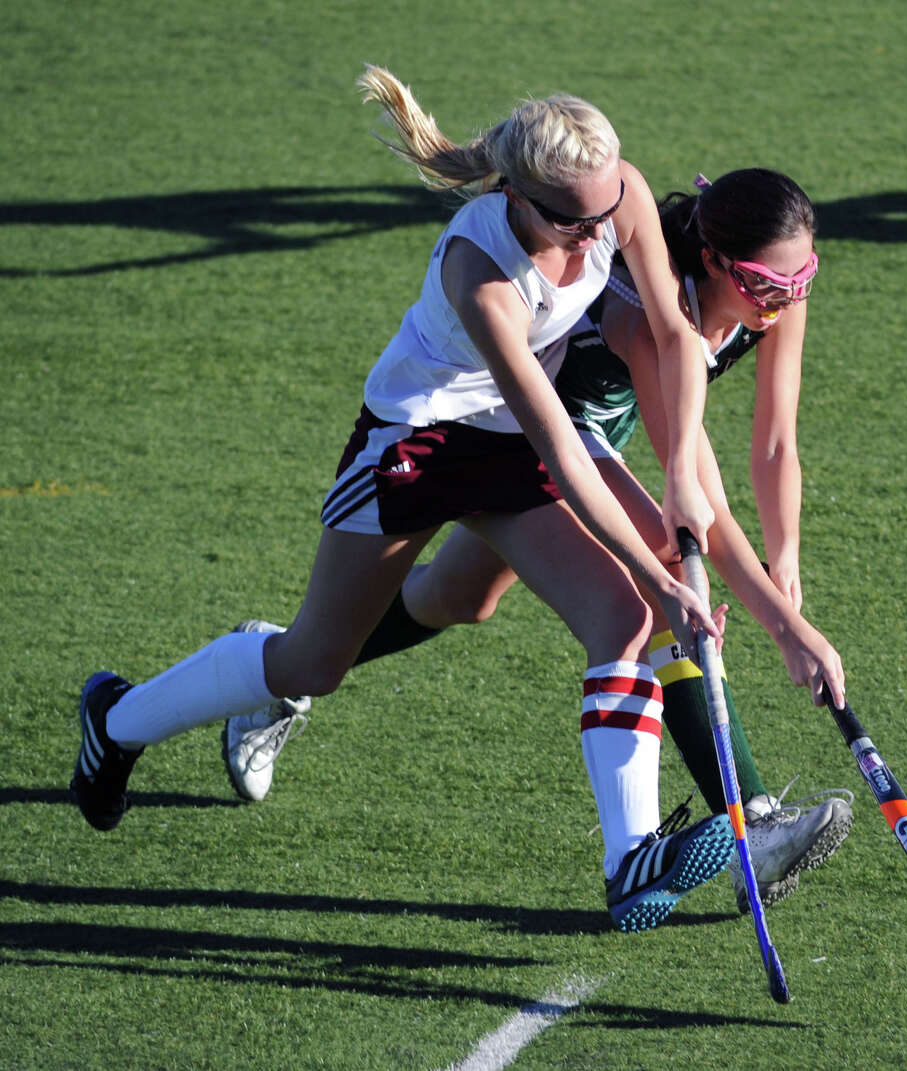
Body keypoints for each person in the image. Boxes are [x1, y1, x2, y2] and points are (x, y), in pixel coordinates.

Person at [71, 63, 738, 934]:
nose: (592, 242)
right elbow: (560, 452)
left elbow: (677, 335)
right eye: (572, 225)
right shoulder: (481, 269)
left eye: (605, 215)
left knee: (620, 620)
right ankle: (115, 719)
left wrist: (682, 468)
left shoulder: (616, 196)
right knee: (312, 663)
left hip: (505, 437)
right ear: (520, 198)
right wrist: (663, 575)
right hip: (416, 446)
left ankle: (630, 860)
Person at [224, 169, 854, 915]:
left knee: (461, 597)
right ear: (715, 260)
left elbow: (776, 443)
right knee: (658, 576)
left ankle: (281, 667)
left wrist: (786, 560)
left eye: (801, 277)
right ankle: (755, 822)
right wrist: (788, 630)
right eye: (767, 285)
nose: (785, 300)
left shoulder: (778, 295)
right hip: (537, 433)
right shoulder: (648, 317)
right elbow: (699, 502)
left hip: (591, 437)